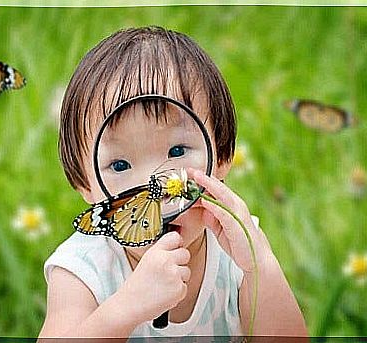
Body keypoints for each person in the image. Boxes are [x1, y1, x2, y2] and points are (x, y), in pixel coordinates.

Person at [38, 26, 307, 339]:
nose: (157, 188)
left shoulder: (237, 246)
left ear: (221, 156)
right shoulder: (84, 268)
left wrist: (260, 265)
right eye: (120, 165)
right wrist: (125, 308)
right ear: (84, 183)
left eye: (177, 151)